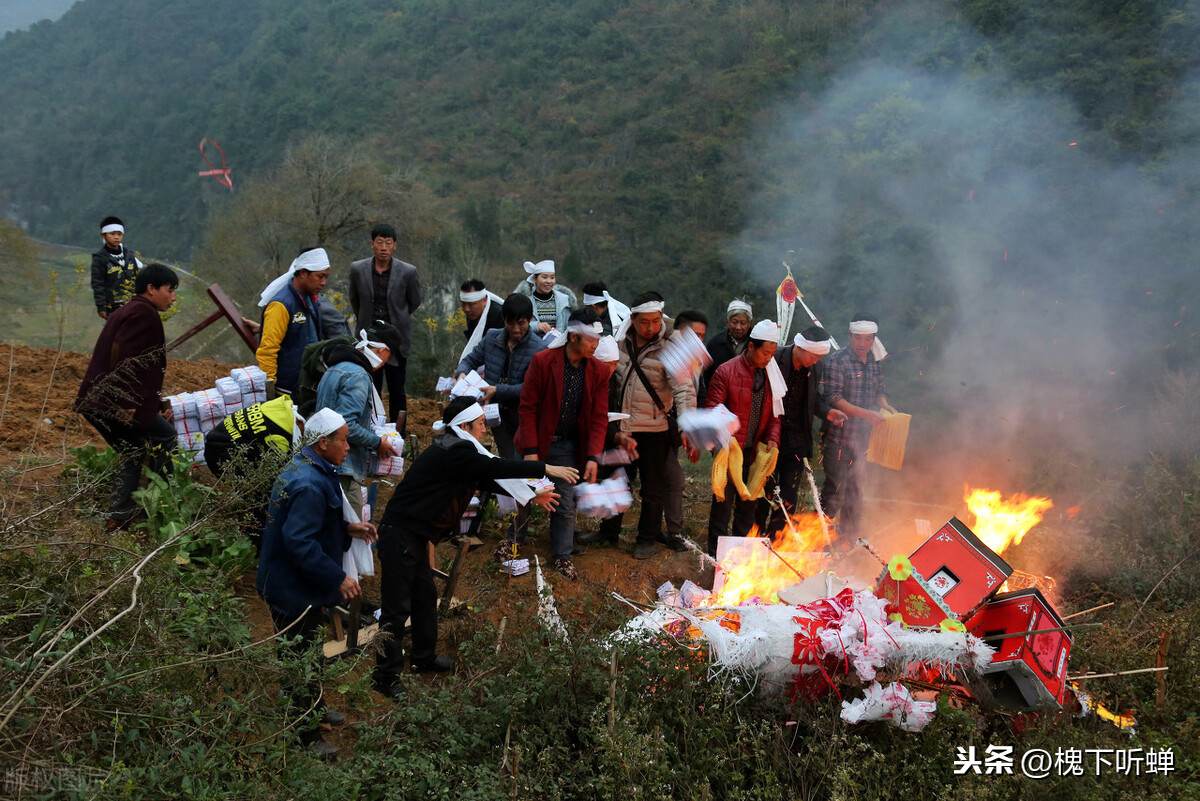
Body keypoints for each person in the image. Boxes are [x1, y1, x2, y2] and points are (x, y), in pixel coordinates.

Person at [373, 398, 578, 697]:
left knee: (425, 597)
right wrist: (547, 468)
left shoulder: (458, 450)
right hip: (400, 533)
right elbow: (494, 467)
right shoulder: (454, 450)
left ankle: (422, 658)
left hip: (414, 534)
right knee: (396, 609)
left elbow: (485, 477)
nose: (484, 429)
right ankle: (385, 676)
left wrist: (533, 494)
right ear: (466, 426)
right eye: (481, 424)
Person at [256, 409, 378, 759]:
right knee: (297, 655)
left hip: (292, 582)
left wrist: (347, 529)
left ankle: (314, 705)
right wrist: (337, 577)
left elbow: (311, 526)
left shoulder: (311, 468)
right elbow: (300, 543)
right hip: (292, 588)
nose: (348, 446)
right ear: (323, 442)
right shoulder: (309, 482)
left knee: (306, 649)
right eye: (343, 439)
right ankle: (305, 736)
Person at [75, 263, 178, 527]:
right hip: (113, 401)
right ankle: (163, 504)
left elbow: (140, 365)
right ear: (151, 289)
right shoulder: (143, 314)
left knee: (132, 449)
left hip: (100, 400)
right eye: (170, 290)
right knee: (165, 436)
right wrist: (125, 402)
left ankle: (118, 516)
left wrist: (150, 405)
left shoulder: (130, 311)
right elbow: (125, 356)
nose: (173, 297)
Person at [515, 308, 609, 579]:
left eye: (597, 339)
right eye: (590, 339)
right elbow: (528, 408)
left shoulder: (599, 371)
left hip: (568, 445)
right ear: (573, 337)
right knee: (523, 494)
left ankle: (562, 554)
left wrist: (592, 456)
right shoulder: (543, 362)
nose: (595, 345)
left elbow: (599, 417)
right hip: (538, 440)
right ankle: (513, 542)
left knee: (565, 501)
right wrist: (531, 452)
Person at [613, 291, 698, 559]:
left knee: (653, 487)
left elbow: (684, 390)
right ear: (632, 319)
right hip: (622, 426)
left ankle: (646, 538)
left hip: (654, 429)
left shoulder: (673, 344)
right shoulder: (619, 340)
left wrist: (687, 427)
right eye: (644, 322)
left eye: (656, 320)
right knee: (616, 481)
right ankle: (608, 532)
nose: (651, 327)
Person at [705, 320, 784, 555]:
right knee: (723, 504)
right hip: (729, 449)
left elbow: (775, 415)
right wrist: (724, 435)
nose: (769, 358)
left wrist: (772, 438)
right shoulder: (726, 371)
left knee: (748, 506)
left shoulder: (772, 375)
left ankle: (740, 556)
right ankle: (715, 555)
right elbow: (712, 407)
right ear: (751, 346)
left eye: (773, 353)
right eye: (766, 353)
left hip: (755, 451)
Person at [314, 324, 404, 522]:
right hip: (344, 468)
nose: (384, 364)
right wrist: (377, 442)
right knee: (349, 531)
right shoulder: (358, 376)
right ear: (382, 350)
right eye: (387, 358)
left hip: (323, 461)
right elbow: (345, 425)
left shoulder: (334, 370)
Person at [819, 315, 895, 544]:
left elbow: (880, 389)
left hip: (863, 439)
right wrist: (865, 413)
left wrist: (882, 404)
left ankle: (848, 542)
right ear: (850, 336)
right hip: (838, 438)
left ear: (873, 339)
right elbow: (832, 397)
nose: (862, 344)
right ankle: (821, 542)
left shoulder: (874, 361)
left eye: (868, 339)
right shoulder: (837, 360)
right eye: (858, 338)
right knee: (835, 490)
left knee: (855, 492)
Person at [765, 327, 847, 536]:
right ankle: (754, 538)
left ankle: (777, 537)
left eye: (821, 356)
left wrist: (828, 412)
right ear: (800, 347)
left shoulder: (815, 368)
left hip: (797, 439)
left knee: (789, 493)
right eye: (815, 355)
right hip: (770, 436)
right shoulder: (774, 358)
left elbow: (813, 399)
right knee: (763, 491)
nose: (818, 360)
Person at [203, 394, 305, 552]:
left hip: (221, 438)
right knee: (261, 498)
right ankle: (260, 548)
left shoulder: (282, 408)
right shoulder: (280, 437)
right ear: (300, 422)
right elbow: (279, 481)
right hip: (221, 453)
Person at [348, 224, 422, 425]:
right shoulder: (358, 269)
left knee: (397, 390)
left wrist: (398, 319)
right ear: (372, 244)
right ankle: (372, 433)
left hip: (396, 341)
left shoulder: (407, 272)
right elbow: (355, 300)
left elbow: (414, 301)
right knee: (371, 388)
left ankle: (398, 436)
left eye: (388, 243)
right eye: (379, 242)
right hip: (368, 340)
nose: (383, 247)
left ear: (394, 246)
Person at [576, 335, 639, 547]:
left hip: (609, 437)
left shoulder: (617, 380)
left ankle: (609, 532)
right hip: (583, 438)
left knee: (617, 479)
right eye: (606, 365)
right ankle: (565, 532)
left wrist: (619, 436)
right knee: (574, 481)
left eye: (614, 365)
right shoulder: (580, 377)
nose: (610, 369)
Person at [662, 309, 709, 543]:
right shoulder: (664, 352)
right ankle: (674, 532)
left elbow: (696, 395)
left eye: (702, 336)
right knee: (673, 480)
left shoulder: (696, 359)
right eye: (694, 335)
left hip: (675, 428)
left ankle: (669, 531)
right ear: (679, 332)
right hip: (656, 425)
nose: (698, 341)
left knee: (665, 481)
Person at [256, 248, 328, 396]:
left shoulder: (309, 298)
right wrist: (270, 391)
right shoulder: (281, 305)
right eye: (319, 276)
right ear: (303, 273)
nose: (323, 282)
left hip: (306, 385)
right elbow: (268, 350)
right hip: (286, 390)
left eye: (326, 277)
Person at [90, 216, 143, 319]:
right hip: (112, 306)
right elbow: (97, 283)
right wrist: (101, 306)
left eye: (119, 234)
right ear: (103, 235)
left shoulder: (129, 256)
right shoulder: (100, 259)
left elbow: (137, 277)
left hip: (131, 302)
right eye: (112, 234)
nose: (116, 237)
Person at [513, 259, 577, 334]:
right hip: (532, 344)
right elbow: (515, 324)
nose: (549, 281)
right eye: (544, 277)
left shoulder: (564, 301)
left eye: (552, 277)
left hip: (558, 344)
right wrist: (536, 326)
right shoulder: (525, 301)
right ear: (534, 278)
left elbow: (569, 326)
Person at [704, 299, 753, 392]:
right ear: (727, 321)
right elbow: (707, 378)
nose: (738, 327)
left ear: (750, 323)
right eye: (734, 322)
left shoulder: (757, 345)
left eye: (743, 323)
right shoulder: (714, 344)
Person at [457, 278, 504, 364]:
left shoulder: (499, 316)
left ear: (484, 300)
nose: (466, 309)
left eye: (471, 304)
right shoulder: (472, 315)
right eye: (463, 304)